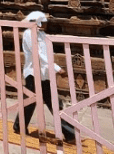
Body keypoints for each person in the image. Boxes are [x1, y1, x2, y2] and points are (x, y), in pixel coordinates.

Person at [13, 11, 75, 141]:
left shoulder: (42, 35)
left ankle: (69, 133)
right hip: (33, 73)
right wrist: (57, 68)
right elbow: (38, 53)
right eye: (44, 21)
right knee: (31, 102)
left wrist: (52, 68)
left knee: (53, 102)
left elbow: (47, 54)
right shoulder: (28, 34)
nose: (46, 24)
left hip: (44, 74)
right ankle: (19, 126)